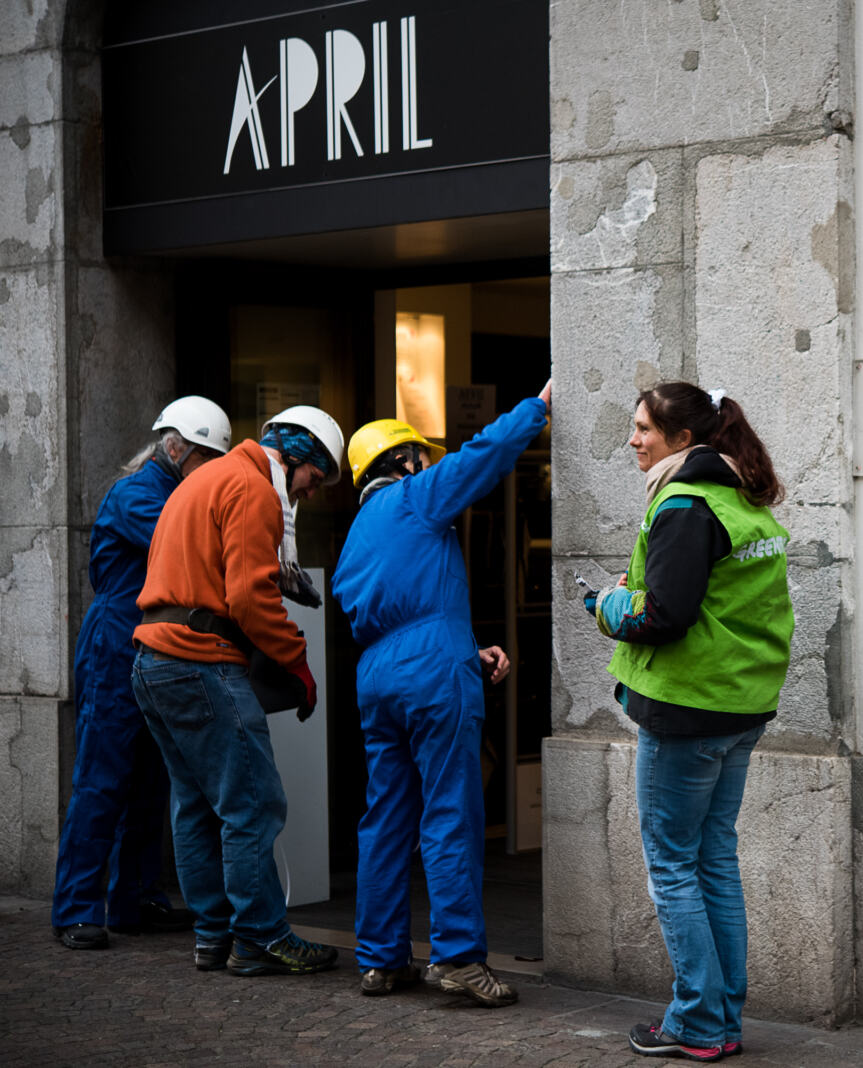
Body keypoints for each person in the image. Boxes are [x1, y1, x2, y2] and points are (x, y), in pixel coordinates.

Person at [586, 383, 793, 1063]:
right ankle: (721, 1017)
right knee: (713, 862)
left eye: (644, 428)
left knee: (673, 866)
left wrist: (608, 606)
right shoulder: (743, 499)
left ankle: (700, 1022)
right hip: (739, 706)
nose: (634, 439)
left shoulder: (683, 504)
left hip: (686, 710)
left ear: (683, 440)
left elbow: (665, 615)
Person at [330, 382, 551, 1008]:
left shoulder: (355, 536)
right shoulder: (413, 497)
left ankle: (380, 960)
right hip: (431, 668)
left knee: (386, 816)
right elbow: (480, 456)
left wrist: (466, 649)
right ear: (401, 463)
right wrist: (537, 405)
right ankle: (456, 957)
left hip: (379, 674)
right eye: (418, 455)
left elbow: (397, 613)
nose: (426, 462)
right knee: (452, 809)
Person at [130, 404, 345, 976]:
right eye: (315, 477)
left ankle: (213, 936)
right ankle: (261, 937)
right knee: (252, 802)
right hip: (201, 662)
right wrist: (298, 661)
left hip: (153, 662)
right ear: (295, 455)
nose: (312, 492)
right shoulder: (251, 488)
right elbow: (249, 600)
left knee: (196, 807)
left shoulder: (202, 479)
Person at [51, 397, 231, 951]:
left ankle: (134, 900)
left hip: (153, 643)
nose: (210, 471)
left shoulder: (174, 493)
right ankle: (77, 908)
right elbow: (194, 551)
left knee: (151, 781)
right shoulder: (138, 496)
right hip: (116, 642)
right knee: (103, 778)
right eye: (205, 457)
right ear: (176, 447)